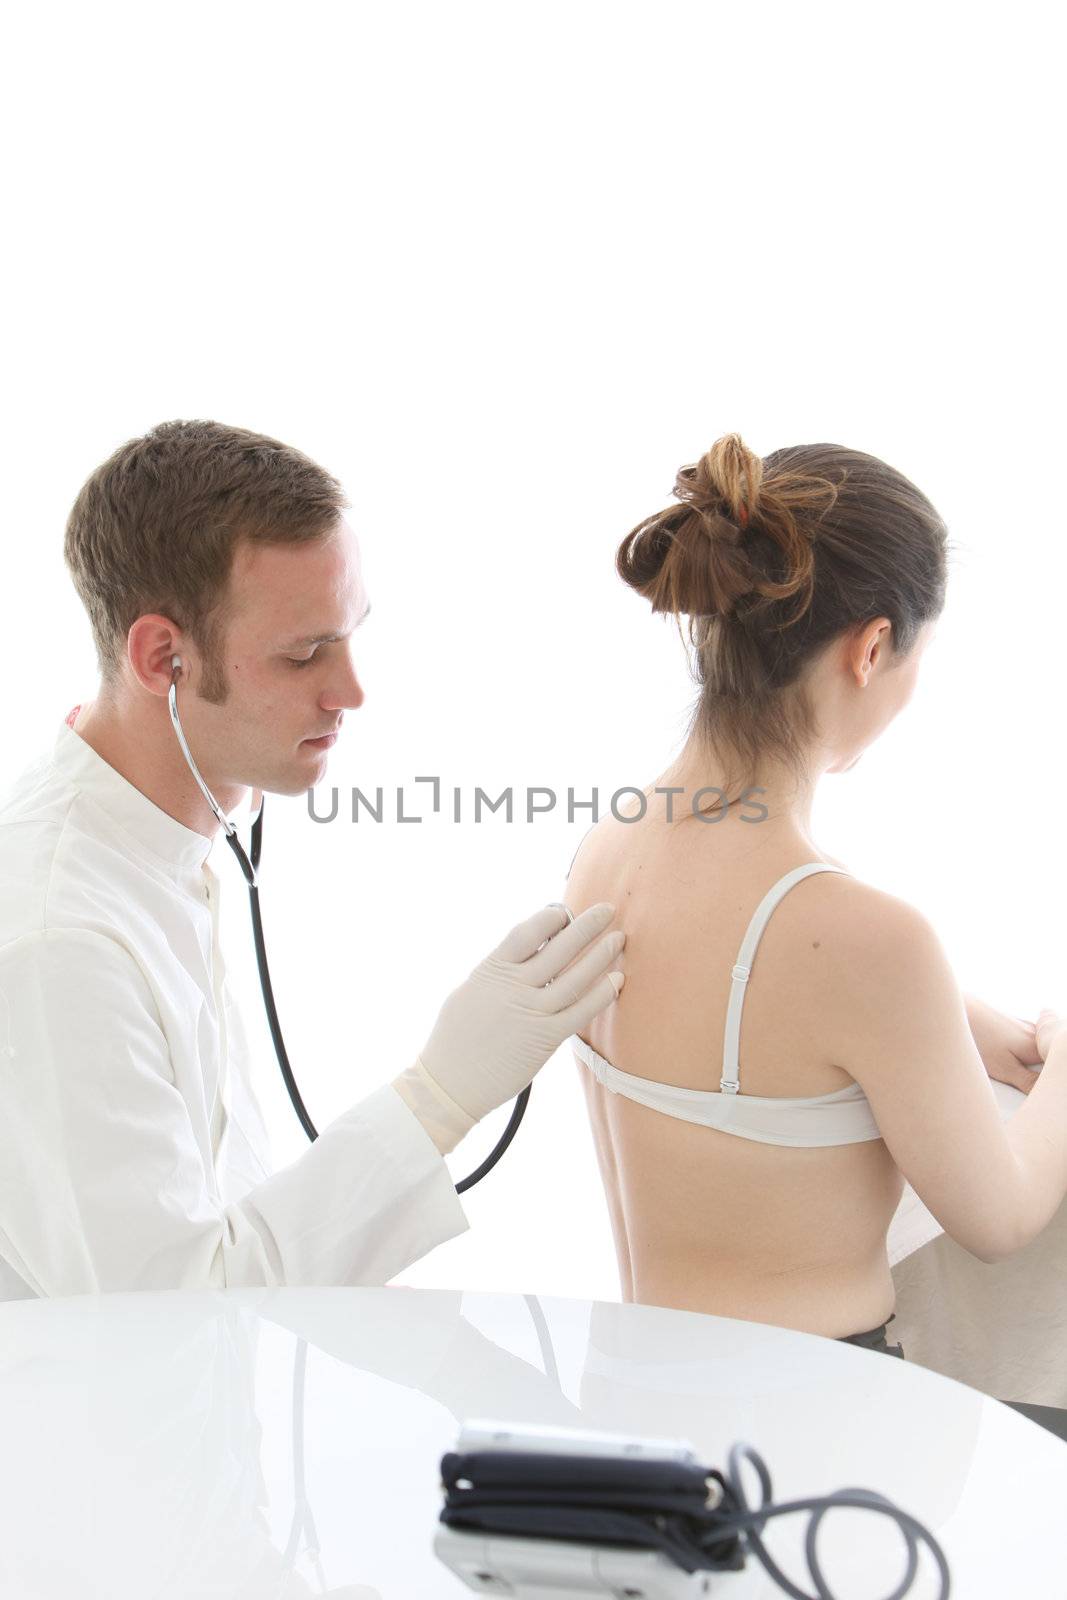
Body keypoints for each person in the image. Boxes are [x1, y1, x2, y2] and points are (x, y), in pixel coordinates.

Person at [0, 418, 626, 1301]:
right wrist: (438, 1098)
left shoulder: (161, 848)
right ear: (160, 658)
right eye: (303, 654)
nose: (352, 692)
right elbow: (171, 1315)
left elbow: (219, 1214)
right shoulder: (56, 939)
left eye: (348, 634)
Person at [563, 433, 1067, 1426]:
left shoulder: (609, 850)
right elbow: (998, 1217)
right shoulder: (861, 936)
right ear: (870, 647)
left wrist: (947, 1018)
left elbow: (771, 998)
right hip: (814, 1436)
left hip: (637, 1403)